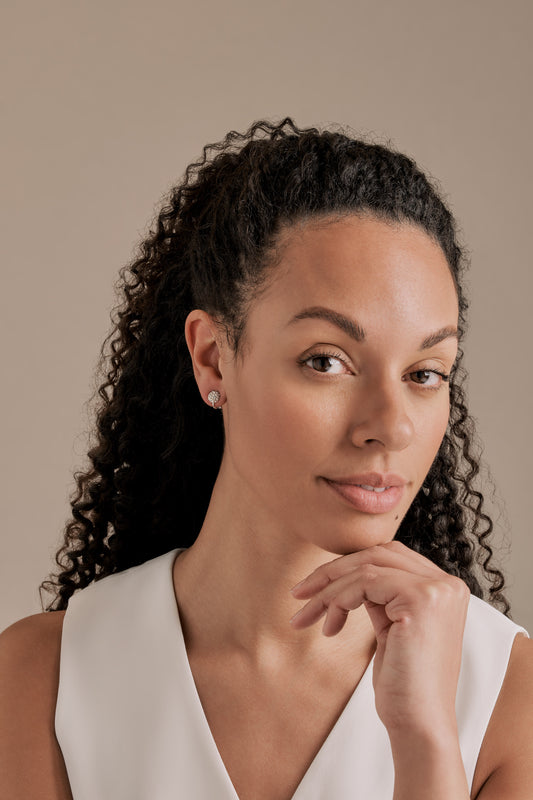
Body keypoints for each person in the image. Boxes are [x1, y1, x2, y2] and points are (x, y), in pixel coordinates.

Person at [0, 117, 531, 800]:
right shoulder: (45, 678)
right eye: (326, 361)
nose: (391, 426)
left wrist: (425, 740)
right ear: (213, 356)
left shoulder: (503, 695)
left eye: (424, 373)